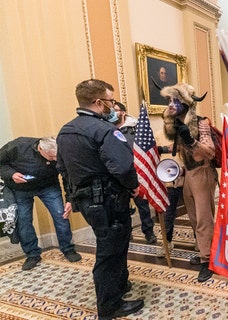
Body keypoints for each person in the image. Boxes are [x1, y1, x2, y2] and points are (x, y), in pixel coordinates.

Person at [56, 79, 143, 319]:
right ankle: (109, 306)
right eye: (111, 101)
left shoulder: (66, 130)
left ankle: (119, 286)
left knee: (113, 243)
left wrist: (70, 197)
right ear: (98, 102)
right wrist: (133, 187)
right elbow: (123, 167)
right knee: (109, 252)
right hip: (109, 201)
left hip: (87, 201)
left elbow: (62, 169)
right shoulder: (105, 130)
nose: (113, 106)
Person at [160, 82, 219, 282]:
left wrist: (191, 140)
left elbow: (209, 151)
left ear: (186, 102)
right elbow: (178, 149)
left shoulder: (201, 123)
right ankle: (204, 250)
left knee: (204, 218)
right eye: (169, 100)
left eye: (175, 100)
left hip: (202, 172)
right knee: (194, 217)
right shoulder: (177, 125)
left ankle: (207, 260)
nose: (171, 104)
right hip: (188, 174)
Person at [0, 136, 82, 270]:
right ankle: (32, 255)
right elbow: (1, 164)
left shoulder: (58, 153)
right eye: (51, 157)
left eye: (57, 157)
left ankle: (68, 249)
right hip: (21, 189)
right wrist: (12, 174)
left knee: (61, 215)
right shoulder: (18, 146)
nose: (55, 160)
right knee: (24, 221)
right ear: (41, 149)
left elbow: (67, 177)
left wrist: (69, 199)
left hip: (48, 187)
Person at [110, 102, 157, 244]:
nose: (113, 113)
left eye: (116, 110)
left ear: (123, 112)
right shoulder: (106, 129)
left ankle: (148, 231)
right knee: (120, 207)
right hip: (116, 174)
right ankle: (126, 234)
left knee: (142, 205)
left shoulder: (135, 128)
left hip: (135, 172)